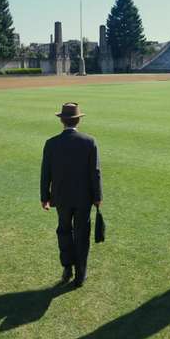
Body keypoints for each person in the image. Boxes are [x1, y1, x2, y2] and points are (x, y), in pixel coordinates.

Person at [40, 102, 102, 288]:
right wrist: (98, 197)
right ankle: (80, 275)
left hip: (61, 198)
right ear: (78, 120)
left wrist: (45, 197)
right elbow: (95, 173)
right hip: (84, 198)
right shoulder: (89, 142)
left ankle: (67, 267)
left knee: (64, 231)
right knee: (82, 235)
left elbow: (46, 172)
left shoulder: (51, 143)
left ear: (62, 121)